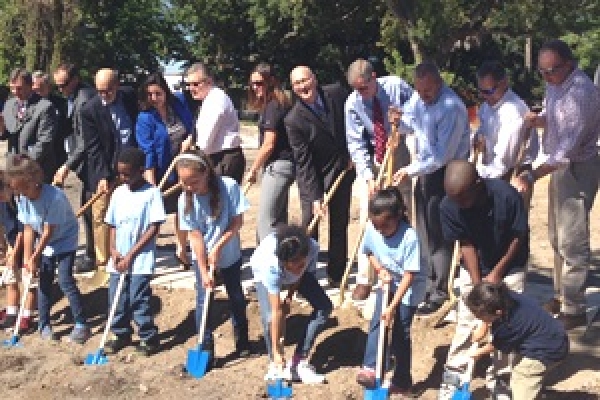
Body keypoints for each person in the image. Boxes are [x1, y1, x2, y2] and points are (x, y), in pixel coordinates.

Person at [512, 39, 600, 330]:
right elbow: (554, 120)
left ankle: (574, 309)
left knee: (572, 239)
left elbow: (567, 150)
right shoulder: (555, 84)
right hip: (558, 164)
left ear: (568, 64)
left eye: (551, 70)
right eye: (542, 72)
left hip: (578, 166)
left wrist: (532, 175)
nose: (547, 77)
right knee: (555, 235)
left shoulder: (583, 93)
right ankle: (561, 295)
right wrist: (538, 121)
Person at [440, 160, 529, 394]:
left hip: (510, 265)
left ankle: (501, 377)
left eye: (462, 198)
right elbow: (466, 244)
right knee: (467, 319)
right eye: (453, 199)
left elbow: (517, 238)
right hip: (475, 266)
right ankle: (456, 374)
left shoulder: (507, 197)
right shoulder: (448, 206)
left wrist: (497, 274)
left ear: (477, 185)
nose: (457, 204)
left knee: (507, 321)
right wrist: (480, 286)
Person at [392, 62, 470, 315]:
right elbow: (410, 123)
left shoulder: (451, 107)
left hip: (447, 172)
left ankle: (439, 290)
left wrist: (410, 170)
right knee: (423, 230)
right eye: (419, 89)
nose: (423, 95)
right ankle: (424, 283)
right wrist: (398, 121)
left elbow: (442, 156)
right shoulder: (418, 98)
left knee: (439, 233)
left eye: (427, 90)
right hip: (425, 171)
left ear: (439, 83)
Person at [345, 58, 414, 300]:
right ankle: (366, 276)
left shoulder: (396, 86)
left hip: (400, 151)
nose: (361, 93)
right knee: (369, 213)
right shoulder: (352, 103)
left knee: (402, 211)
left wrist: (401, 126)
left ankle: (406, 271)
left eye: (364, 87)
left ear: (374, 77)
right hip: (375, 157)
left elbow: (419, 115)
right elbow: (355, 142)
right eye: (356, 89)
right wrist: (366, 175)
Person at [284, 66, 356, 287]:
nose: (302, 86)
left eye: (305, 80)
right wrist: (315, 197)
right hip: (314, 175)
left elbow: (352, 121)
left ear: (314, 79)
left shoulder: (335, 93)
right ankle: (307, 274)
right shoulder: (293, 120)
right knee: (310, 224)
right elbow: (303, 163)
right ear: (293, 88)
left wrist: (352, 153)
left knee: (339, 222)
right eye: (297, 84)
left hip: (343, 169)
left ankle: (337, 272)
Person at [176, 148, 251, 360]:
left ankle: (243, 341)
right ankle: (205, 347)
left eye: (194, 182)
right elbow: (195, 235)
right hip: (202, 259)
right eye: (184, 183)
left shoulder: (229, 186)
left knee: (236, 297)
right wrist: (203, 270)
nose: (190, 187)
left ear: (206, 173)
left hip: (230, 255)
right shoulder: (185, 200)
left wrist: (218, 247)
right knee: (203, 300)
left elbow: (237, 222)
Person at [6, 154, 89, 343]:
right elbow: (28, 228)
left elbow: (47, 232)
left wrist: (36, 255)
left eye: (24, 188)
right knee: (43, 281)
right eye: (18, 190)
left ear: (34, 180)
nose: (22, 193)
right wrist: (28, 259)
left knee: (65, 279)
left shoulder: (55, 198)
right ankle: (45, 325)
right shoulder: (22, 199)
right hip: (44, 243)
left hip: (64, 240)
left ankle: (81, 324)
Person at [355, 188, 425, 396]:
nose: (380, 230)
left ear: (398, 216)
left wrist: (393, 307)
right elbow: (368, 251)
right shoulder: (373, 230)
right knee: (378, 322)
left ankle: (403, 380)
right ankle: (371, 367)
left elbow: (409, 276)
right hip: (389, 282)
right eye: (377, 226)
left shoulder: (409, 237)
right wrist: (380, 270)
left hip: (410, 288)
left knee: (400, 334)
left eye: (385, 225)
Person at [104, 148, 165, 356]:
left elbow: (154, 227)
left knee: (138, 298)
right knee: (116, 297)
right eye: (120, 174)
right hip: (118, 259)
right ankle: (120, 333)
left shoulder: (152, 193)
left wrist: (131, 255)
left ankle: (148, 337)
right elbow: (112, 224)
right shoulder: (118, 193)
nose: (123, 178)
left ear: (141, 170)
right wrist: (113, 249)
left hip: (140, 260)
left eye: (128, 174)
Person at [251, 224, 330, 384]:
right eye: (293, 265)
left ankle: (298, 362)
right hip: (262, 271)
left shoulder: (311, 248)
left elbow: (300, 273)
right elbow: (276, 311)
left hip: (291, 271)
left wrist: (290, 296)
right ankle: (275, 363)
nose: (297, 268)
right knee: (269, 318)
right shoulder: (270, 265)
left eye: (300, 263)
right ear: (284, 262)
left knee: (324, 307)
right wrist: (276, 349)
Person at [465, 282, 568, 400]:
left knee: (523, 376)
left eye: (480, 316)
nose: (477, 318)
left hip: (547, 350)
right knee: (517, 367)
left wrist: (478, 352)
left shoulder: (509, 326)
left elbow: (497, 345)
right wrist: (483, 327)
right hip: (551, 334)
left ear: (497, 312)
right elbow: (490, 312)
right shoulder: (504, 296)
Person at [136, 72, 194, 268]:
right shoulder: (145, 118)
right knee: (156, 214)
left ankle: (181, 248)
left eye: (158, 93)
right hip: (161, 171)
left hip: (183, 167)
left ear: (165, 92)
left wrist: (190, 139)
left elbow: (191, 126)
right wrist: (152, 185)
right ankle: (147, 252)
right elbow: (148, 151)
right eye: (149, 94)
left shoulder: (178, 104)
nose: (154, 99)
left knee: (183, 208)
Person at [473, 61, 538, 209]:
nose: (485, 96)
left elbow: (503, 161)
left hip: (512, 174)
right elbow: (482, 134)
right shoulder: (486, 107)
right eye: (481, 91)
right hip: (492, 171)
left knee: (511, 228)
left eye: (489, 91)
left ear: (503, 83)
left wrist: (476, 177)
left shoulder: (512, 111)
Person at [52, 63, 96, 272]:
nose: (61, 90)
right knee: (87, 209)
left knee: (92, 210)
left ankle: (94, 255)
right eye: (58, 86)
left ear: (75, 79)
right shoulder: (72, 98)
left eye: (64, 85)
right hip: (84, 163)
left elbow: (85, 141)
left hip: (94, 163)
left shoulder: (85, 99)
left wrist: (66, 166)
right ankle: (91, 252)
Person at [243, 63, 295, 241]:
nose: (255, 87)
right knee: (279, 220)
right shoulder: (277, 103)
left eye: (259, 83)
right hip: (283, 166)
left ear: (271, 81)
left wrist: (253, 169)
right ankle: (282, 262)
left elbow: (269, 144)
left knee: (266, 222)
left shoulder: (273, 106)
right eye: (252, 84)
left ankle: (267, 263)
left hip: (278, 166)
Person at [182, 63, 245, 183]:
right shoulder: (209, 100)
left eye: (195, 84)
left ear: (209, 82)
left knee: (218, 200)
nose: (191, 88)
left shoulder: (215, 101)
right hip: (217, 157)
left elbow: (205, 143)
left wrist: (190, 159)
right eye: (188, 84)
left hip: (224, 159)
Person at [1, 68, 58, 184]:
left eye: (19, 88)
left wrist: (25, 166)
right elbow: (6, 134)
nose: (15, 92)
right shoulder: (9, 104)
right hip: (13, 169)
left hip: (36, 169)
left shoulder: (45, 107)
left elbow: (44, 141)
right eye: (12, 88)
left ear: (30, 85)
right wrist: (1, 126)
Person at [0, 174, 35, 332]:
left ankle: (26, 316)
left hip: (27, 245)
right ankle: (12, 313)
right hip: (12, 244)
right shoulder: (3, 201)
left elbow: (23, 230)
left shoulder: (20, 200)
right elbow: (5, 228)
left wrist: (16, 252)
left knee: (28, 281)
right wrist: (8, 249)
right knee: (10, 279)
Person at [32, 71, 69, 168]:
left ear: (48, 88)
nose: (36, 93)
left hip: (56, 153)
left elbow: (67, 126)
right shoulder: (29, 104)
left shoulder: (61, 103)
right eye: (34, 90)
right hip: (34, 152)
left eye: (40, 90)